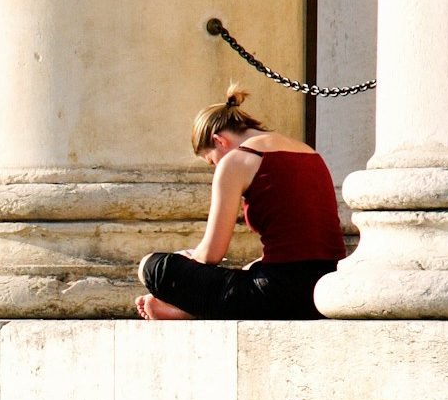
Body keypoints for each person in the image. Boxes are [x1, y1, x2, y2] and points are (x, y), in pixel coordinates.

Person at [134, 85, 347, 321]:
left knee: (153, 267)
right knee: (248, 271)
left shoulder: (237, 160)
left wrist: (188, 265)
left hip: (278, 294)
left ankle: (188, 308)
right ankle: (189, 309)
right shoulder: (309, 153)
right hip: (326, 288)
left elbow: (211, 255)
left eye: (211, 161)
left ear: (219, 141)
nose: (216, 167)